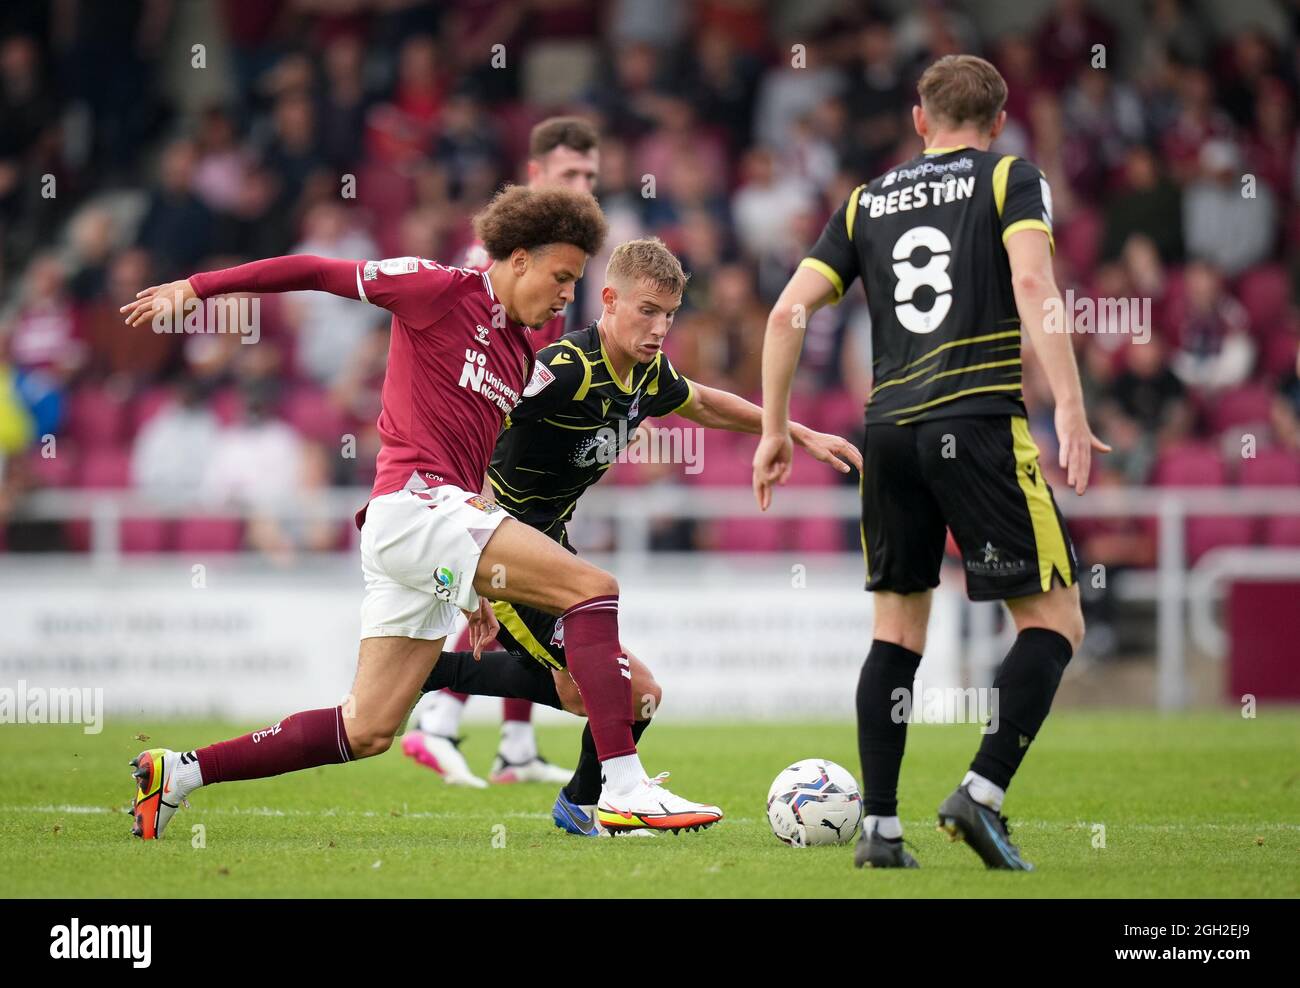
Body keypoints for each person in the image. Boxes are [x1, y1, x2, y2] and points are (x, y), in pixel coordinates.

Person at [118, 184, 721, 839]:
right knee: (593, 589)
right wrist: (199, 289)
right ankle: (623, 789)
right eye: (560, 276)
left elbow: (477, 457)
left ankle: (178, 772)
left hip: (438, 528)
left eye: (575, 281)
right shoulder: (435, 287)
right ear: (518, 259)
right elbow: (315, 271)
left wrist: (473, 579)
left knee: (366, 728)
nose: (564, 295)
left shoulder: (521, 350)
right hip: (413, 506)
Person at [753, 55, 1108, 871]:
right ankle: (980, 793)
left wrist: (776, 430)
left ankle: (879, 831)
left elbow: (786, 313)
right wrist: (1070, 405)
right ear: (999, 121)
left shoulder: (865, 199)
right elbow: (1030, 277)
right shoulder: (1010, 177)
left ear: (919, 119)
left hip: (890, 432)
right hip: (977, 419)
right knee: (1057, 621)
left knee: (897, 633)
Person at [405, 237, 861, 835]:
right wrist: (475, 566)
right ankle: (591, 787)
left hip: (551, 550)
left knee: (628, 695)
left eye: (669, 314)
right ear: (609, 299)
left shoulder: (649, 373)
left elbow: (704, 404)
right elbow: (478, 431)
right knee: (623, 689)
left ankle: (446, 687)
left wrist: (795, 431)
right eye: (647, 310)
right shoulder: (564, 371)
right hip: (510, 553)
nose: (659, 327)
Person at [415, 116, 602, 788]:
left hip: (517, 446)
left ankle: (516, 742)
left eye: (592, 176)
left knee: (536, 590)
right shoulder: (494, 269)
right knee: (536, 588)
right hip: (473, 455)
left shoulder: (562, 264)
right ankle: (437, 715)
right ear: (536, 178)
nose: (585, 187)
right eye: (571, 175)